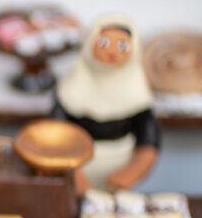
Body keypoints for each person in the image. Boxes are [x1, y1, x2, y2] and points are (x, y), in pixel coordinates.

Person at [53, 15, 160, 193]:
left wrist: (133, 171)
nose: (112, 52)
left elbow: (148, 139)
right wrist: (72, 171)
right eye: (103, 43)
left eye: (122, 45)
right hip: (76, 172)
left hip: (118, 174)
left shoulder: (137, 94)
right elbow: (55, 133)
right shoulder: (71, 89)